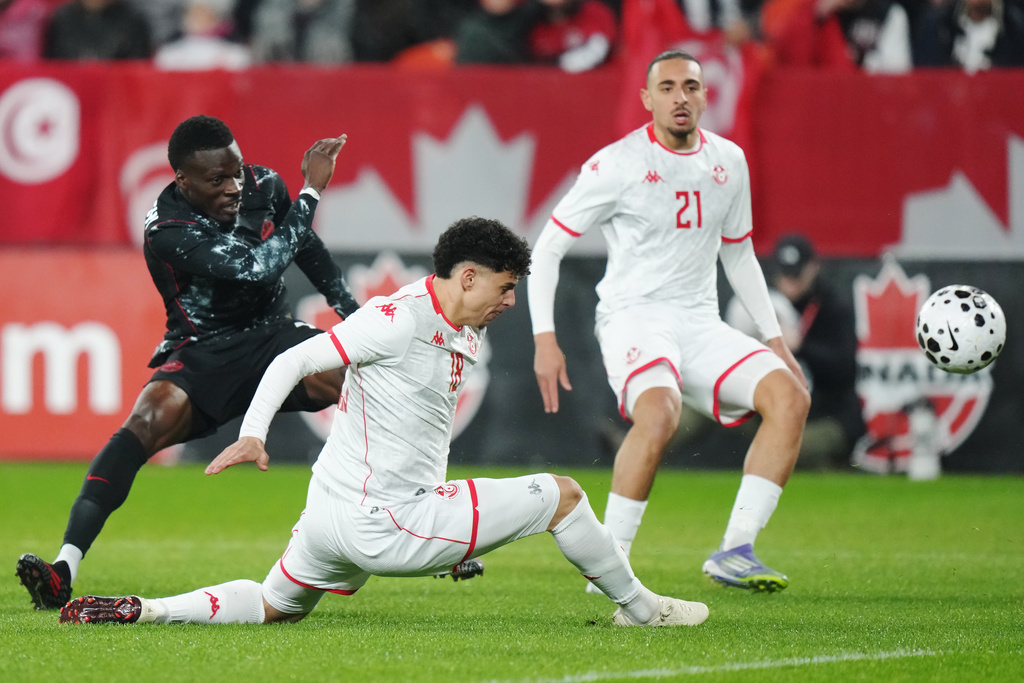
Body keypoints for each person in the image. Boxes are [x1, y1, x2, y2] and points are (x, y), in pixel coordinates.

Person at [58, 217, 709, 629]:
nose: (511, 302)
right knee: (563, 495)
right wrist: (252, 430)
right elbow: (293, 357)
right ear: (469, 276)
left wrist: (455, 538)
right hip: (385, 521)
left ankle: (144, 608)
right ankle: (645, 610)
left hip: (332, 516)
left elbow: (423, 430)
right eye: (505, 288)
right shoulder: (398, 318)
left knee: (272, 603)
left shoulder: (461, 322)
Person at [17, 115, 360, 610]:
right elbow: (252, 267)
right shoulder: (167, 229)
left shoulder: (263, 184)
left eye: (237, 172)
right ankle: (64, 567)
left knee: (364, 386)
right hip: (204, 349)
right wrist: (310, 193)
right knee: (142, 425)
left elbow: (306, 249)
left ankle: (422, 520)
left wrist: (356, 317)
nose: (234, 187)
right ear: (183, 180)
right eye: (217, 180)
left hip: (273, 336)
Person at [529, 49, 810, 593]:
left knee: (791, 397)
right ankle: (609, 564)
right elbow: (549, 247)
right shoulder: (617, 164)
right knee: (659, 414)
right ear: (647, 98)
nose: (680, 97)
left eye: (691, 87)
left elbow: (739, 254)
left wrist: (773, 337)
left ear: (706, 95)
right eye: (667, 88)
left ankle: (735, 550)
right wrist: (545, 337)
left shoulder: (729, 161)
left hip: (700, 323)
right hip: (634, 320)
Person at [726, 234, 865, 470]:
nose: (790, 282)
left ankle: (833, 471)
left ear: (813, 268)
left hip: (827, 418)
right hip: (776, 413)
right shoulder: (763, 305)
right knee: (711, 405)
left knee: (783, 449)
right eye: (785, 274)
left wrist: (801, 347)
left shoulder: (833, 306)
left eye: (797, 275)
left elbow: (846, 371)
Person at [43, 0, 153, 60]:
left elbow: (138, 68)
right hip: (71, 90)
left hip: (117, 91)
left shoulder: (134, 20)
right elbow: (52, 62)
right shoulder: (62, 18)